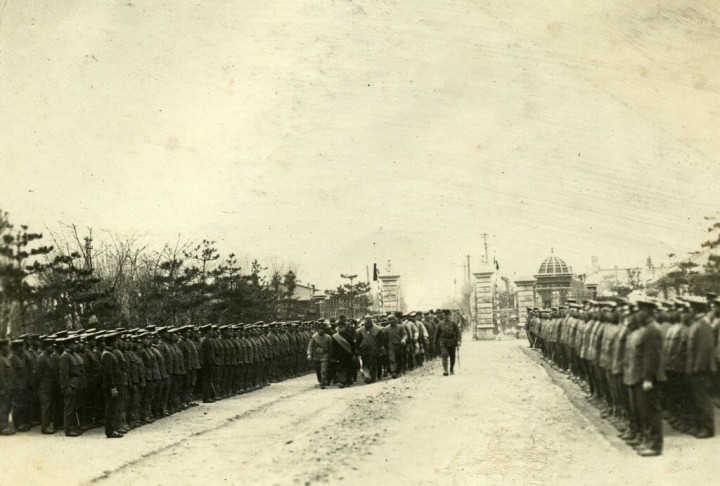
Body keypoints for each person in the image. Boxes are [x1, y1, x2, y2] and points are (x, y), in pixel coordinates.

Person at [100, 332, 123, 438]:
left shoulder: (109, 353)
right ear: (111, 343)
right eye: (115, 341)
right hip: (110, 387)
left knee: (113, 408)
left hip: (113, 385)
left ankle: (112, 429)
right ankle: (110, 431)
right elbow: (108, 374)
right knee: (110, 409)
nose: (117, 343)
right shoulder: (107, 355)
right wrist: (113, 388)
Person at [435, 309, 462, 376]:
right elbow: (437, 334)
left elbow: (458, 333)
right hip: (443, 342)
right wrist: (435, 342)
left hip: (452, 342)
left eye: (447, 315)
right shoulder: (440, 323)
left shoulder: (453, 323)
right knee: (444, 355)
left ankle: (451, 369)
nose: (446, 316)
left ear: (449, 315)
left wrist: (459, 341)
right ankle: (445, 370)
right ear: (443, 316)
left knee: (452, 356)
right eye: (444, 315)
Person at [307, 323, 332, 389]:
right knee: (318, 370)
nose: (321, 330)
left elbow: (331, 347)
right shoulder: (314, 337)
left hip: (325, 355)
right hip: (316, 356)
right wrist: (309, 354)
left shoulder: (328, 337)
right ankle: (321, 381)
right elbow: (310, 346)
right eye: (320, 329)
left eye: (323, 329)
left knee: (323, 370)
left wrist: (331, 355)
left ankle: (323, 383)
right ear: (318, 330)